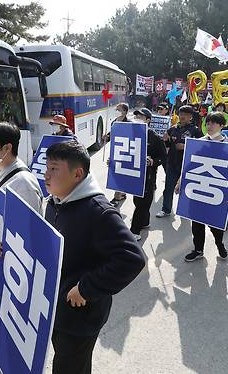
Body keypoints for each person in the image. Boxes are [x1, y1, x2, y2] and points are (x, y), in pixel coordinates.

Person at [43, 141, 145, 374]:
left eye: (54, 169)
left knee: (69, 368)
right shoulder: (56, 201)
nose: (46, 175)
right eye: (46, 167)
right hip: (57, 306)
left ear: (77, 174)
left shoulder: (99, 211)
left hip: (80, 314)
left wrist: (87, 288)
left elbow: (132, 258)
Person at [174, 112, 228, 261]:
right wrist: (180, 181)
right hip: (198, 187)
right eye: (207, 123)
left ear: (222, 125)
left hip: (217, 190)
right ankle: (198, 250)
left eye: (213, 123)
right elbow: (188, 165)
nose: (209, 126)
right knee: (196, 222)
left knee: (215, 224)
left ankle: (219, 244)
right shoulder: (198, 143)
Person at [157, 105, 203, 217]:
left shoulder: (195, 130)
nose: (183, 116)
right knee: (168, 187)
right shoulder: (173, 128)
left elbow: (202, 146)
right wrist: (166, 141)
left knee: (186, 188)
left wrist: (186, 146)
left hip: (188, 165)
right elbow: (166, 142)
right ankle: (166, 209)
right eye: (181, 114)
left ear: (191, 117)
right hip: (172, 162)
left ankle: (185, 210)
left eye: (186, 115)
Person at [129, 109, 167, 240]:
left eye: (140, 117)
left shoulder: (154, 137)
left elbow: (163, 156)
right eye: (136, 116)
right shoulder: (130, 134)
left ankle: (134, 231)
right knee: (137, 200)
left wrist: (153, 162)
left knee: (142, 203)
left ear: (148, 120)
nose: (137, 118)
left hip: (148, 176)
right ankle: (145, 221)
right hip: (133, 175)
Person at [105, 103, 130, 207]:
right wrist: (107, 137)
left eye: (118, 109)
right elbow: (112, 134)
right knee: (116, 172)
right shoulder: (114, 121)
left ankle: (116, 198)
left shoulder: (129, 123)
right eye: (116, 109)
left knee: (120, 173)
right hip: (115, 151)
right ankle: (122, 193)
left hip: (124, 152)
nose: (116, 111)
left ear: (124, 111)